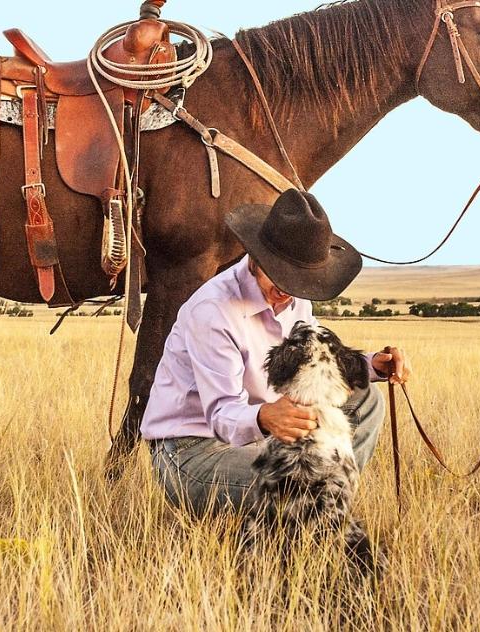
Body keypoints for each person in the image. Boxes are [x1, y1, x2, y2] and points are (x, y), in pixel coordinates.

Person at [142, 188, 411, 516]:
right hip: (193, 451)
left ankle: (326, 502)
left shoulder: (296, 297)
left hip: (266, 433)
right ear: (256, 257)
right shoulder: (214, 311)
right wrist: (264, 416)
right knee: (302, 486)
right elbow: (222, 416)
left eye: (299, 281)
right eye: (281, 277)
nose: (288, 292)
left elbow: (312, 362)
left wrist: (373, 365)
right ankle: (313, 514)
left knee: (367, 400)